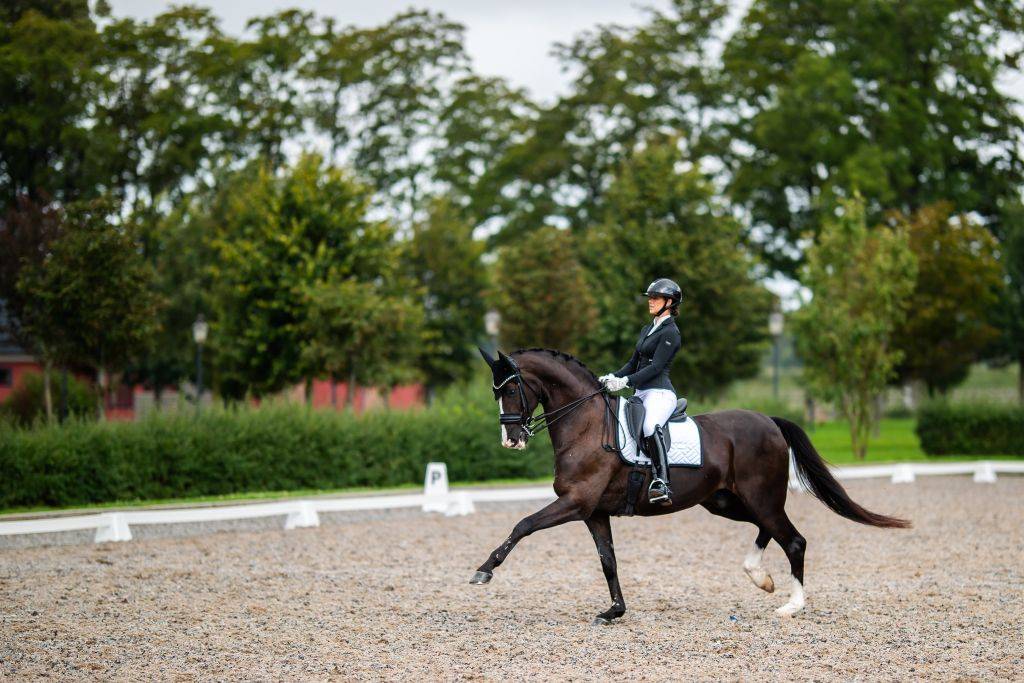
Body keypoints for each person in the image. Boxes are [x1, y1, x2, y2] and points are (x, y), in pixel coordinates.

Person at [598, 278, 682, 505]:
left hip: (660, 393)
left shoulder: (671, 332)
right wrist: (612, 377)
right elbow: (633, 363)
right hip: (641, 392)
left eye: (655, 298)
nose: (650, 301)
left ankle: (662, 481)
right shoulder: (648, 328)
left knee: (649, 426)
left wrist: (625, 382)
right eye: (650, 297)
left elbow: (656, 368)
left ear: (669, 302)